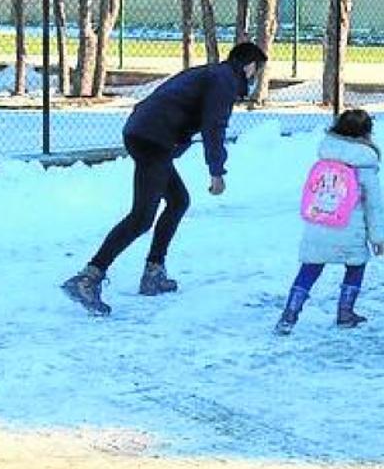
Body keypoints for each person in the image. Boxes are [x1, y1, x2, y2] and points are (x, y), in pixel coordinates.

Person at [61, 42, 269, 316]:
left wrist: (175, 147)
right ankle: (88, 278)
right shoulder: (225, 81)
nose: (255, 78)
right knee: (141, 218)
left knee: (178, 200)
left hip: (148, 133)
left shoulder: (214, 74)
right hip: (152, 138)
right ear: (249, 65)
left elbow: (179, 106)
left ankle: (153, 271)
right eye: (257, 70)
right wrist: (216, 170)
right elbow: (213, 127)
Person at [275, 108, 384, 334]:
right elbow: (373, 207)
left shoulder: (325, 158)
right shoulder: (365, 166)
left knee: (309, 268)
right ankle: (345, 313)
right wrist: (378, 238)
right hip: (349, 230)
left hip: (318, 225)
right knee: (356, 265)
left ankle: (289, 314)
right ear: (366, 134)